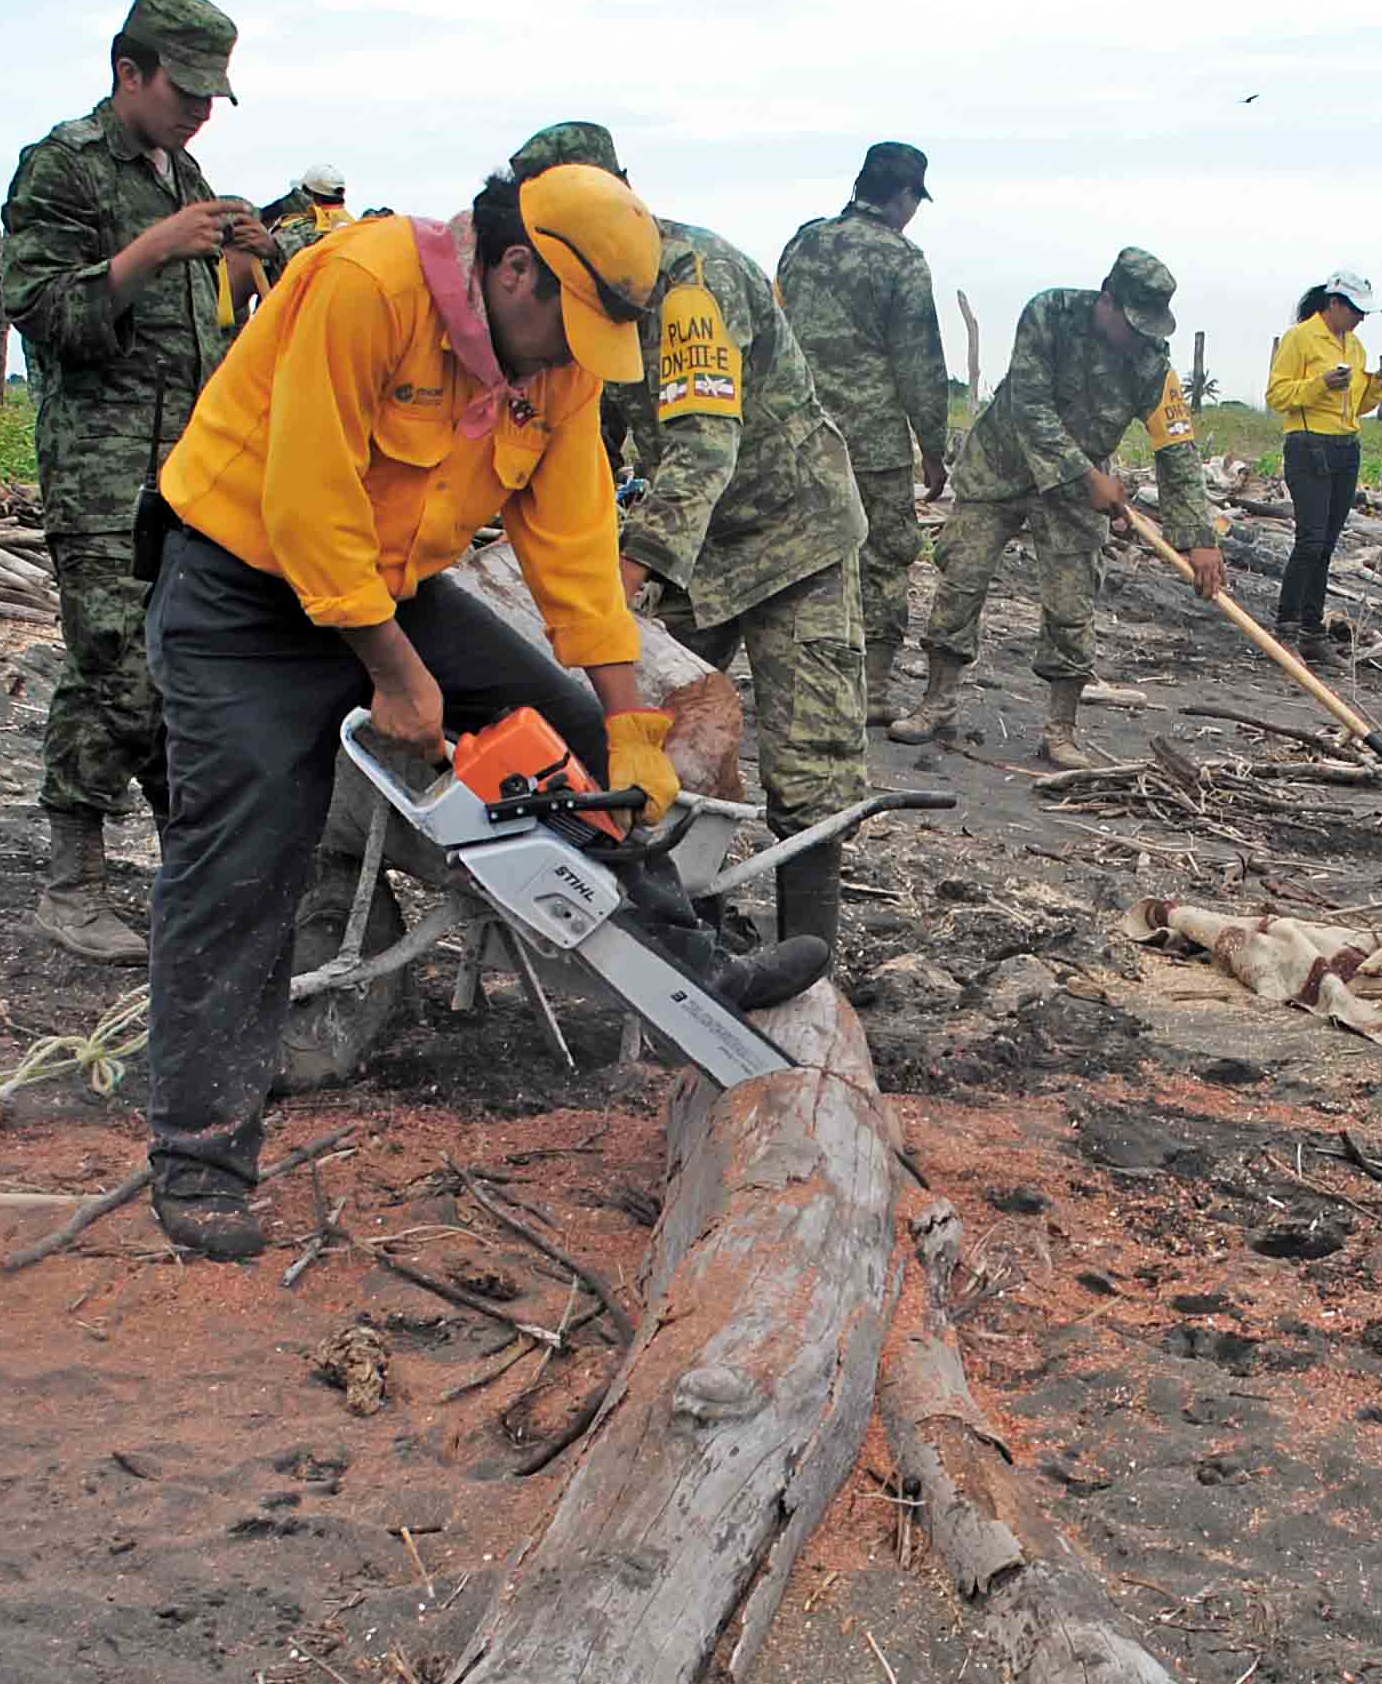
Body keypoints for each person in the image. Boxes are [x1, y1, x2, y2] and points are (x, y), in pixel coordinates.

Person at [135, 161, 823, 1259]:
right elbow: (307, 503)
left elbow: (574, 555)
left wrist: (632, 729)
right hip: (243, 588)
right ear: (514, 271)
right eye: (569, 330)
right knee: (241, 855)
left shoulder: (554, 366)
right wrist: (396, 673)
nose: (570, 363)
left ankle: (697, 974)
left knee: (580, 741)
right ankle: (200, 1154)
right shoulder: (361, 286)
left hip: (395, 590)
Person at [509, 122, 870, 962]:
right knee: (643, 727)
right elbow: (577, 431)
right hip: (694, 550)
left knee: (812, 765)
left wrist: (626, 573)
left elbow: (706, 445)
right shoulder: (571, 292)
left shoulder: (689, 286)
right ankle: (679, 927)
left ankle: (809, 968)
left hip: (792, 540)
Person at [0, 0, 284, 964]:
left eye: (211, 97)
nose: (200, 112)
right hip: (101, 473)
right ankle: (79, 878)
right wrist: (148, 252)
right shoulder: (64, 169)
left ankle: (171, 871)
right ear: (129, 71)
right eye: (185, 91)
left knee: (156, 666)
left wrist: (263, 254)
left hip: (184, 482)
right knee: (120, 673)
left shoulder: (183, 171)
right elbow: (39, 312)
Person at [886, 251, 1221, 769]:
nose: (1138, 337)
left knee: (1072, 606)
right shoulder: (1049, 314)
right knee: (961, 582)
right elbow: (1031, 408)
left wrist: (1198, 537)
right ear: (1106, 299)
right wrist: (1089, 478)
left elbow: (1176, 448)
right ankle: (937, 703)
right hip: (999, 467)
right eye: (1132, 323)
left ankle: (1060, 730)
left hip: (1074, 497)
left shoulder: (1153, 365)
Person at [774, 141, 951, 726]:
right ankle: (872, 692)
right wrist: (933, 448)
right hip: (871, 445)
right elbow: (920, 364)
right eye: (915, 200)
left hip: (801, 435)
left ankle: (794, 685)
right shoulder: (902, 261)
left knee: (802, 555)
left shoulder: (802, 243)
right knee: (882, 560)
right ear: (903, 196)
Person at [1262, 273, 1382, 654]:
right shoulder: (1300, 338)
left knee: (1326, 544)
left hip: (1345, 448)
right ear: (1334, 304)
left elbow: (1356, 406)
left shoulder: (1355, 347)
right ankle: (1287, 626)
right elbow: (1276, 396)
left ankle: (1311, 631)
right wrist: (1321, 383)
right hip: (1308, 446)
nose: (1361, 318)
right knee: (1309, 540)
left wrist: (1377, 385)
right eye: (1356, 310)